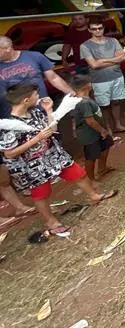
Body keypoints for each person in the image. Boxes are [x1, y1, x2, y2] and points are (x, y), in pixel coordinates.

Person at [0, 83, 116, 235]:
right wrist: (37, 139)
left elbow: (52, 129)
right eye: (36, 95)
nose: (38, 97)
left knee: (78, 173)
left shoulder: (36, 112)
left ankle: (94, 196)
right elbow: (9, 154)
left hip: (54, 155)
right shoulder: (9, 126)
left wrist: (48, 111)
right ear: (26, 100)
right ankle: (51, 222)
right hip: (33, 165)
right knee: (41, 194)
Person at [0, 36, 74, 118]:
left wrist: (71, 93)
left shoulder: (34, 56)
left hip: (41, 108)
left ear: (7, 48)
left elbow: (53, 78)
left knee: (49, 130)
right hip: (13, 114)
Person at [80, 19, 125, 134]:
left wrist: (102, 61)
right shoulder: (85, 45)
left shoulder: (113, 41)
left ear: (103, 28)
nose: (97, 31)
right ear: (89, 30)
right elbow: (93, 64)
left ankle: (117, 125)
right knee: (104, 105)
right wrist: (114, 60)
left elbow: (123, 58)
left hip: (117, 76)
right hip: (99, 80)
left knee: (116, 102)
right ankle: (108, 128)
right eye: (94, 29)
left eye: (100, 28)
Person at [70, 75, 115, 184]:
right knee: (91, 156)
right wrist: (102, 130)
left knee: (106, 146)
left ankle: (102, 168)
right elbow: (90, 121)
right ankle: (91, 178)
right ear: (86, 87)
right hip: (89, 133)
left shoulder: (82, 99)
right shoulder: (83, 103)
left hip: (95, 131)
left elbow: (73, 119)